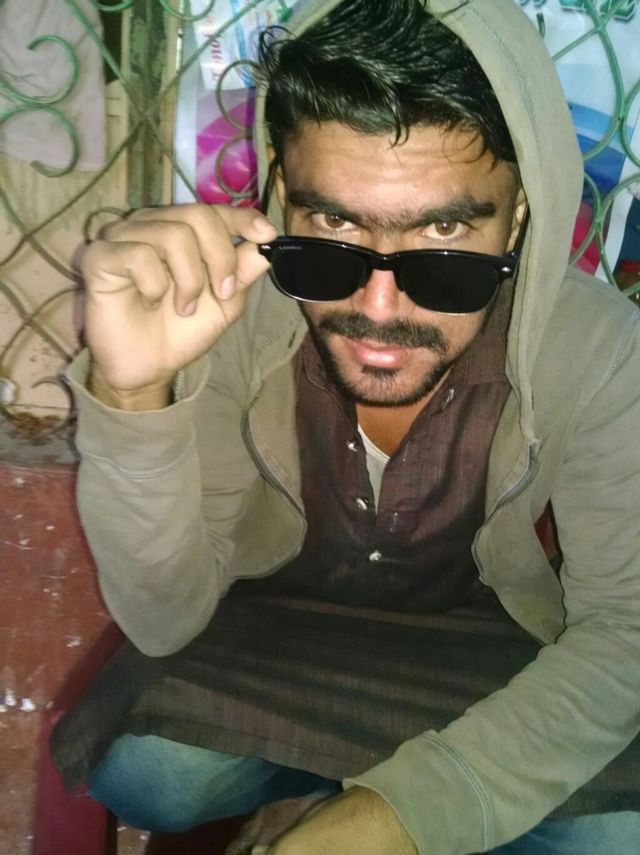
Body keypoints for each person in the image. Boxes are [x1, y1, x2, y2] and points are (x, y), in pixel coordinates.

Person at [51, 1, 640, 853]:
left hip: (478, 650)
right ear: (283, 194)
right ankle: (315, 787)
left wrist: (390, 819)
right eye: (333, 225)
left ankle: (330, 796)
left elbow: (625, 631)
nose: (378, 307)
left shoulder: (598, 347)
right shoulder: (224, 315)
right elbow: (164, 619)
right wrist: (133, 391)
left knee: (616, 834)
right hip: (272, 636)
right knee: (149, 772)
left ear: (518, 215)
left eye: (444, 232)